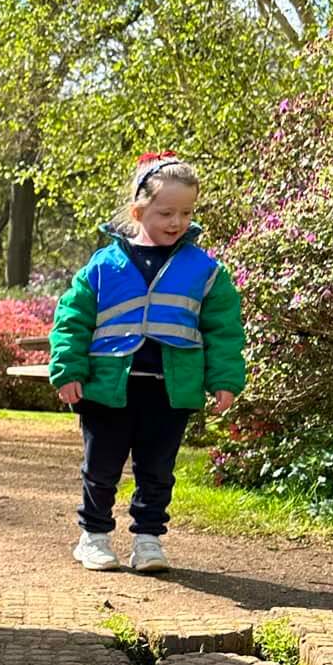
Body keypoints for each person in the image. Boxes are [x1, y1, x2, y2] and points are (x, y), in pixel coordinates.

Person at [49, 151, 245, 574]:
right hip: (107, 388)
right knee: (101, 468)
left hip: (170, 389)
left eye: (186, 212)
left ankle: (148, 541)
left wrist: (225, 378)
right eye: (166, 212)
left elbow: (224, 329)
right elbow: (72, 319)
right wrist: (68, 370)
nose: (177, 222)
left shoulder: (206, 270)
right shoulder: (103, 265)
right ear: (139, 211)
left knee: (157, 470)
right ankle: (94, 537)